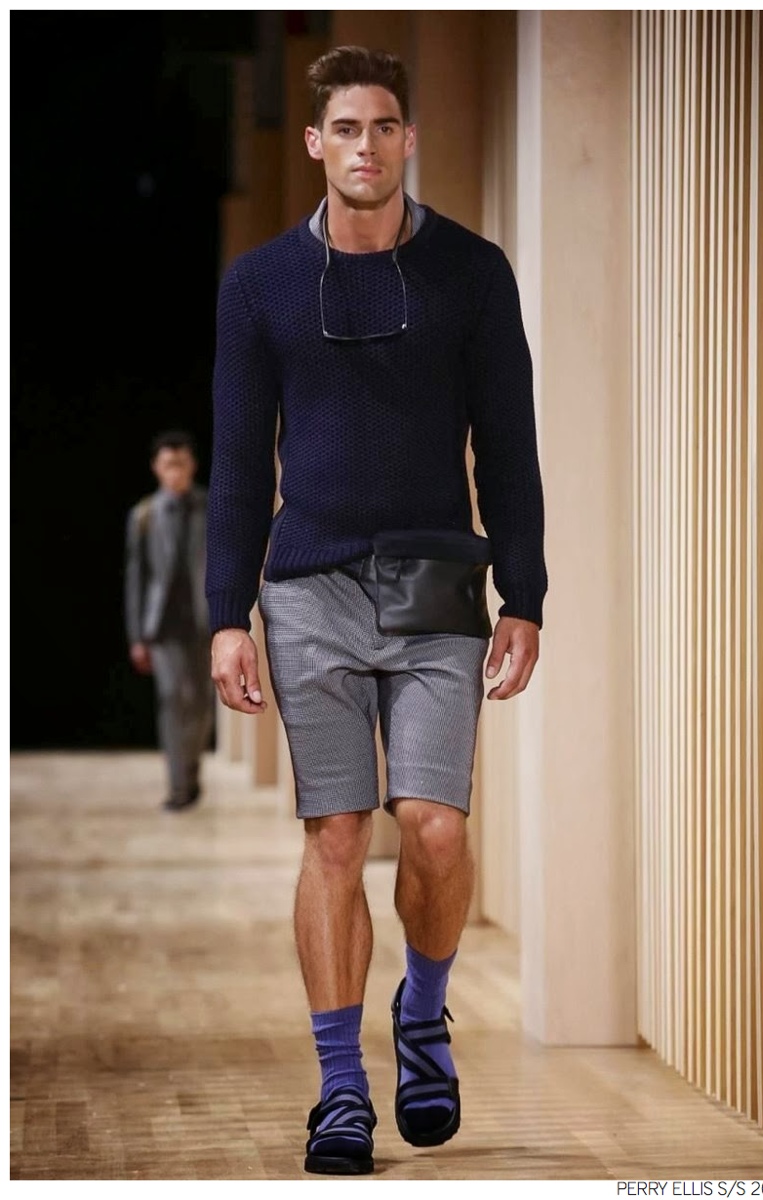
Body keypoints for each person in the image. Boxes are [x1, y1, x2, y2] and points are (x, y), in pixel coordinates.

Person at [206, 46, 547, 1175]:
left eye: (384, 127)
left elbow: (507, 444)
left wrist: (526, 592)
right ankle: (341, 1088)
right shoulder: (259, 285)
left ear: (408, 140)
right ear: (315, 143)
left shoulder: (471, 272)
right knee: (337, 835)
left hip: (437, 582)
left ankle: (423, 1013)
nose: (366, 146)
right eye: (345, 129)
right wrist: (225, 613)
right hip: (307, 583)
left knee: (436, 826)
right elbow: (239, 461)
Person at [125, 430, 214, 812]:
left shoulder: (211, 506)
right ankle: (179, 785)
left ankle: (191, 771)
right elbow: (136, 578)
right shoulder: (144, 514)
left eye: (181, 463)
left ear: (192, 465)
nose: (175, 471)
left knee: (202, 702)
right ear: (156, 468)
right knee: (173, 698)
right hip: (162, 625)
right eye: (168, 464)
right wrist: (137, 636)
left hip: (203, 620)